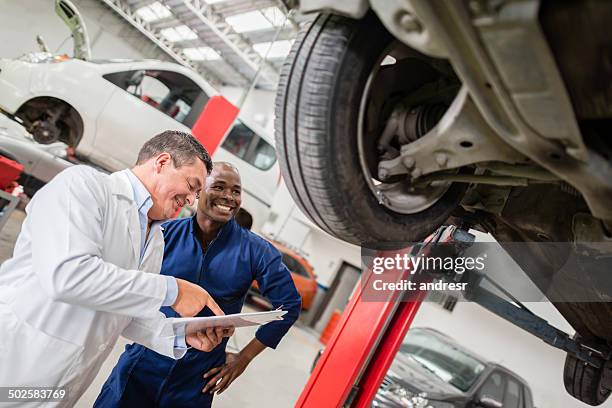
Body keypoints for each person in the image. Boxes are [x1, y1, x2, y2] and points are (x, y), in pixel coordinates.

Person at [0, 130, 229, 407]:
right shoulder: (83, 186)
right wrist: (174, 290)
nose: (191, 201)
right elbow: (67, 276)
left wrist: (182, 334)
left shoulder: (155, 237)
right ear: (162, 162)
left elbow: (126, 311)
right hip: (15, 362)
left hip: (59, 384)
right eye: (191, 186)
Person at [95, 162, 302, 407]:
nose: (228, 196)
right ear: (197, 192)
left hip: (197, 380)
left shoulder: (257, 252)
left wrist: (244, 357)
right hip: (143, 362)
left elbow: (289, 305)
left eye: (236, 191)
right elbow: (128, 285)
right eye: (219, 187)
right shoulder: (164, 234)